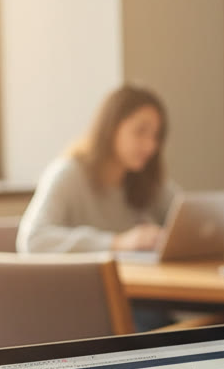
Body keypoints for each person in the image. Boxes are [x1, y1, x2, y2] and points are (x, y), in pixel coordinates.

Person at [17, 84, 177, 255]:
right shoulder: (68, 175)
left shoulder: (148, 181)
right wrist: (117, 242)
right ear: (111, 127)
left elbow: (187, 218)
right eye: (140, 131)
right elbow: (34, 240)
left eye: (155, 136)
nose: (150, 146)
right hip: (84, 281)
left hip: (141, 279)